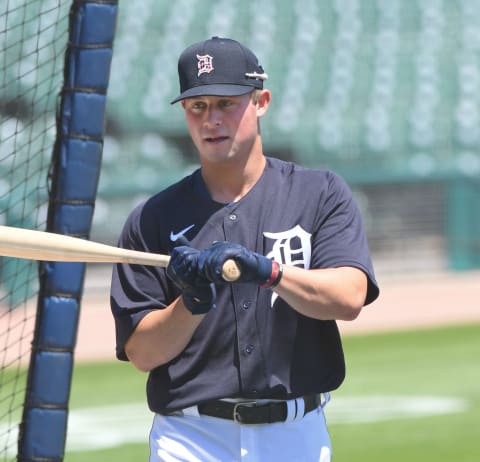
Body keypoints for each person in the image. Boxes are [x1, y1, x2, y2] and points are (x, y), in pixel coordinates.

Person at [110, 36, 379, 462]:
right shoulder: (152, 218)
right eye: (197, 107)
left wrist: (269, 272)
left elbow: (348, 298)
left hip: (296, 435)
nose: (210, 119)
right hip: (191, 438)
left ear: (261, 101)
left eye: (225, 103)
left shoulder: (319, 193)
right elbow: (143, 353)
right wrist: (191, 303)